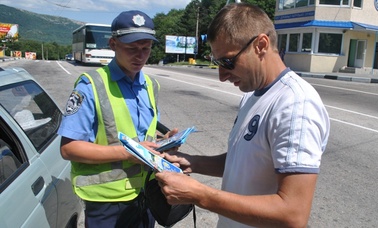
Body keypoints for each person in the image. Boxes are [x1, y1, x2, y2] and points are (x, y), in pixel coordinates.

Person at [155, 3, 330, 228]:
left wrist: (201, 195)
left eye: (228, 62)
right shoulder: (253, 94)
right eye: (216, 63)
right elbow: (246, 160)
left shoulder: (296, 104)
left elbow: (293, 214)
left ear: (261, 45)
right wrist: (192, 162)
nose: (221, 76)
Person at [58, 10, 177, 228]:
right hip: (107, 202)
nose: (139, 56)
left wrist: (164, 140)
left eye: (146, 49)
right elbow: (69, 149)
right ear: (113, 44)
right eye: (131, 48)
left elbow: (141, 132)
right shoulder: (91, 86)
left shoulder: (150, 85)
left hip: (146, 194)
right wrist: (130, 153)